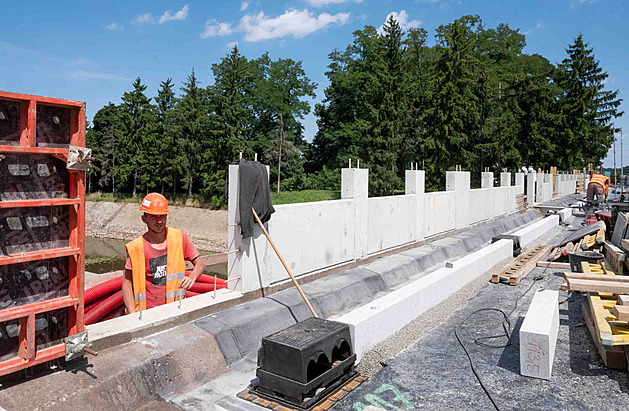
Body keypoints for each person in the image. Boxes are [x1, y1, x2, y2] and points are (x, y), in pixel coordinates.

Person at [122, 193, 204, 316]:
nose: (159, 221)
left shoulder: (180, 238)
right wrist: (133, 315)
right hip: (147, 313)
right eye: (154, 216)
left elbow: (200, 263)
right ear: (144, 219)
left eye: (163, 216)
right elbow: (127, 283)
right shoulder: (136, 248)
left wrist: (192, 276)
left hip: (176, 309)